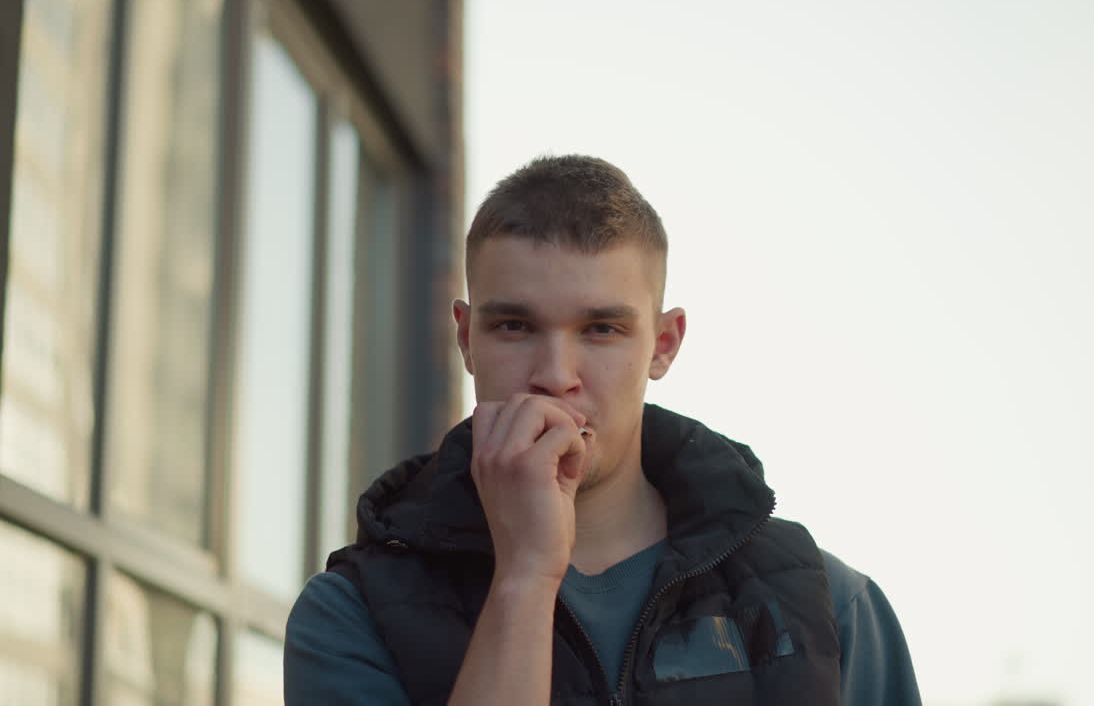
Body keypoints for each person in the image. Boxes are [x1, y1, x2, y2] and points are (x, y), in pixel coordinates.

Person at [284, 155, 921, 705]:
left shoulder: (825, 605)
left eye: (602, 329)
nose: (556, 376)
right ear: (465, 338)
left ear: (663, 345)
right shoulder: (353, 613)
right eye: (514, 326)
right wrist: (525, 576)